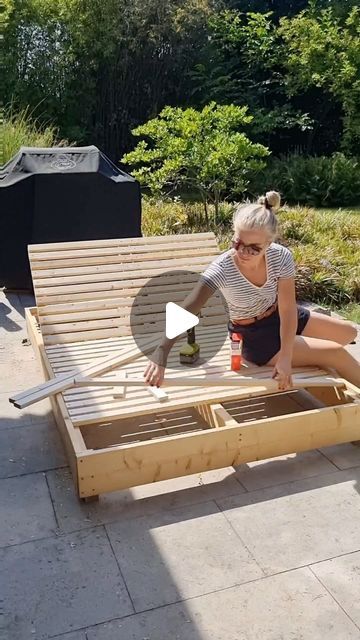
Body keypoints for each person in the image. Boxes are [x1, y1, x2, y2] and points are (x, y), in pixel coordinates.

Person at [144, 190, 359, 390]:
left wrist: (286, 356)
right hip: (254, 336)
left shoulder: (281, 256)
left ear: (269, 243)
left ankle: (305, 351)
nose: (243, 252)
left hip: (277, 316)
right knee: (336, 354)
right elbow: (187, 308)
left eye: (254, 248)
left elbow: (287, 309)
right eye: (238, 244)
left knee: (349, 332)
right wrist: (161, 351)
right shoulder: (222, 269)